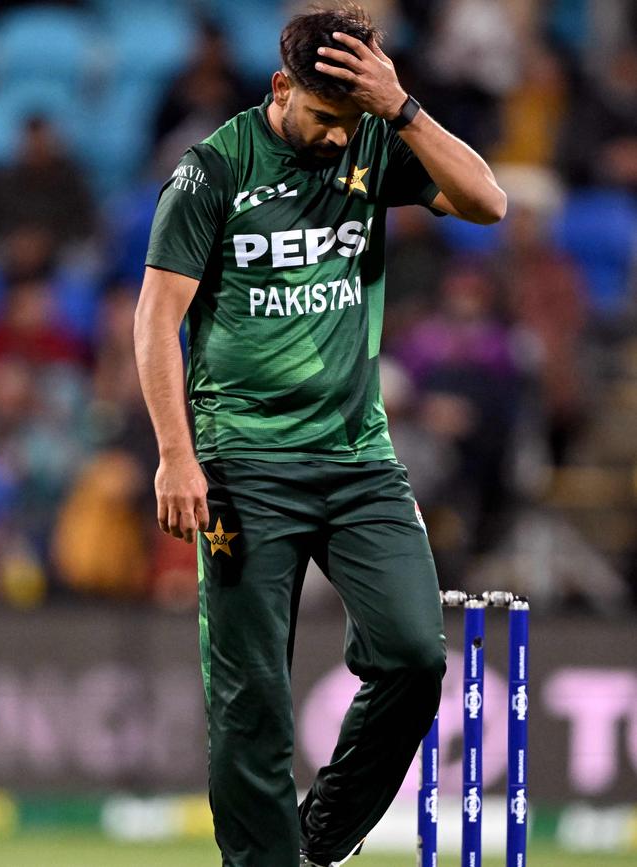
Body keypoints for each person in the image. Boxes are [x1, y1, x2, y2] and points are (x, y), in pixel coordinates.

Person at [134, 6, 505, 866]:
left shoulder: (375, 136)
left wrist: (400, 108)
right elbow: (156, 322)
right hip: (241, 463)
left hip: (358, 458)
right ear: (280, 87)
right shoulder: (211, 171)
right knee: (252, 696)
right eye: (324, 118)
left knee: (415, 655)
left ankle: (317, 838)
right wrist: (175, 454)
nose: (338, 138)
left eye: (353, 119)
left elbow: (488, 201)